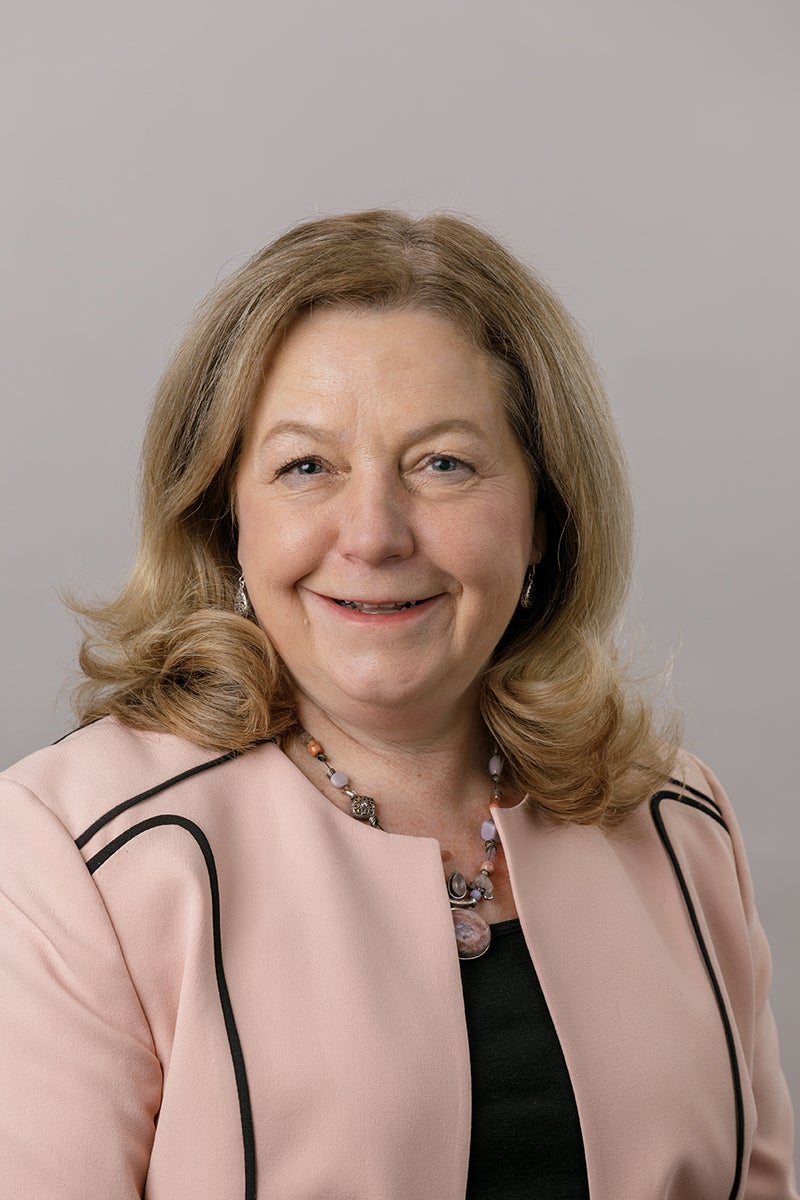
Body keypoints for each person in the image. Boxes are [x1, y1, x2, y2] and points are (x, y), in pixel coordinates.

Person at [0, 209, 795, 1200]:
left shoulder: (678, 823)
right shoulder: (76, 849)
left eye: (442, 465)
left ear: (544, 515)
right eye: (305, 467)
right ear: (224, 514)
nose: (372, 535)